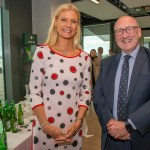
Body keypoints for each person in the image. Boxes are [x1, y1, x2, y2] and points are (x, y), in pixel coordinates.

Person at [29, 3, 91, 150]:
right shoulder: (41, 52)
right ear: (56, 22)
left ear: (77, 26)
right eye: (64, 20)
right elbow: (34, 92)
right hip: (45, 128)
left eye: (73, 21)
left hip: (73, 129)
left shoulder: (85, 58)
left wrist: (78, 122)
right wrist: (46, 126)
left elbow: (86, 94)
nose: (68, 25)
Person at [93, 15, 150, 150]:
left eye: (129, 29)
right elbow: (98, 98)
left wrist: (128, 126)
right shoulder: (106, 64)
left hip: (142, 138)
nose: (124, 35)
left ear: (139, 32)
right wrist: (111, 125)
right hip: (111, 138)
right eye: (119, 31)